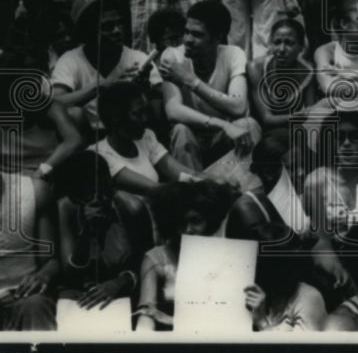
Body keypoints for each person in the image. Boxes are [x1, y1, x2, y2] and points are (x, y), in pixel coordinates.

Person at [50, 0, 161, 142]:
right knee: (73, 113)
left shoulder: (138, 58)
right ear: (88, 32)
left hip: (132, 136)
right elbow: (54, 102)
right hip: (89, 138)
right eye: (107, 27)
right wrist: (104, 86)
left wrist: (143, 90)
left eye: (119, 23)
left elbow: (158, 111)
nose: (117, 30)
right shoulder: (71, 60)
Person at [158, 0, 252, 171]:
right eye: (186, 32)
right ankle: (194, 192)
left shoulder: (233, 54)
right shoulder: (172, 56)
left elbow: (238, 106)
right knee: (180, 130)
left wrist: (190, 81)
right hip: (194, 134)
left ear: (217, 37)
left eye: (197, 34)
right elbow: (173, 111)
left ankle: (237, 189)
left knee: (248, 125)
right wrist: (222, 124)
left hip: (223, 138)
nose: (187, 40)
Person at [135, 181, 238, 331]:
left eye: (195, 221)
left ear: (210, 220)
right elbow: (146, 311)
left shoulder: (225, 256)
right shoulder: (156, 258)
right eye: (181, 223)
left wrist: (170, 320)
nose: (188, 230)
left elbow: (229, 315)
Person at [53, 153, 142, 315]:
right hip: (80, 291)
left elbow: (144, 262)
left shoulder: (130, 207)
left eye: (102, 191)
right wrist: (87, 231)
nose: (97, 199)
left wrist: (119, 283)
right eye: (88, 193)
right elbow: (70, 273)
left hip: (121, 292)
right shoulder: (66, 208)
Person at [92, 81, 203, 195]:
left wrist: (209, 179)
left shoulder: (146, 137)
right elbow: (154, 189)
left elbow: (181, 172)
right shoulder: (99, 155)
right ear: (115, 117)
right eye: (138, 114)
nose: (145, 119)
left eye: (145, 112)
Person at [0, 163, 59, 330]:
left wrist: (43, 275)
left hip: (26, 294)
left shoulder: (33, 190)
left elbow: (52, 261)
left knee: (36, 306)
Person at [247, 18, 316, 130]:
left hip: (294, 129)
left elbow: (312, 116)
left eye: (289, 43)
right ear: (270, 44)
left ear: (301, 47)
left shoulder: (307, 71)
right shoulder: (256, 68)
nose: (282, 49)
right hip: (260, 130)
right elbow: (267, 119)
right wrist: (301, 115)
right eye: (277, 42)